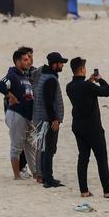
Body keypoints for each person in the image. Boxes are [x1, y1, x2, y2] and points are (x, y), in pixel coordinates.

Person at [66, 56, 109, 199]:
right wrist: (100, 79)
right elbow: (107, 91)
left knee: (83, 158)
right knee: (101, 158)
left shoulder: (69, 86)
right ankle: (107, 191)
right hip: (93, 127)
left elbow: (83, 90)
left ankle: (84, 191)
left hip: (78, 125)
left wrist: (89, 81)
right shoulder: (87, 86)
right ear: (83, 69)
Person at [0, 47, 38, 181]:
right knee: (16, 146)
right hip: (16, 114)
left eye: (29, 59)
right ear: (17, 61)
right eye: (25, 60)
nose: (28, 62)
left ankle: (36, 173)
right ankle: (17, 175)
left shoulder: (24, 76)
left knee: (31, 145)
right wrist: (10, 95)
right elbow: (0, 85)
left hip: (27, 115)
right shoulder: (12, 75)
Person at [32, 52, 67, 189]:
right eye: (60, 63)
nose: (62, 65)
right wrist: (54, 119)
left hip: (41, 118)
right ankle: (48, 178)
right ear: (54, 64)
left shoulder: (42, 74)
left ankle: (43, 176)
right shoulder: (51, 79)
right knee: (49, 148)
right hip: (47, 120)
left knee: (45, 148)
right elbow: (49, 102)